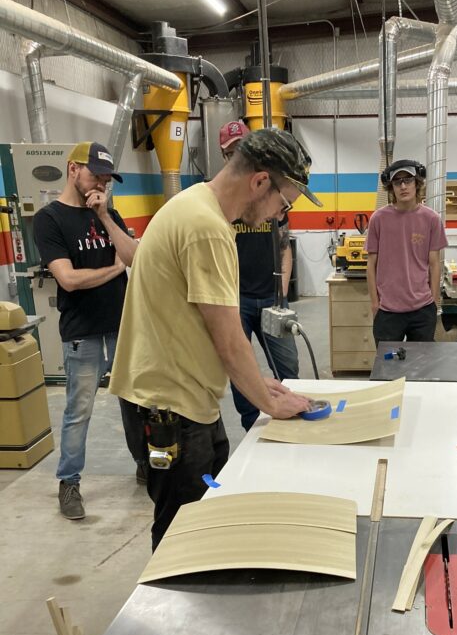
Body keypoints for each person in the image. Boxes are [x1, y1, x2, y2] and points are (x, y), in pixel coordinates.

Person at [110, 128, 320, 550]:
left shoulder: (190, 206)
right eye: (284, 203)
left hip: (184, 398)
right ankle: (171, 610)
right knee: (180, 533)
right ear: (260, 181)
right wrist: (269, 401)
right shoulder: (207, 228)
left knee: (208, 506)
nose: (280, 215)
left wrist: (261, 386)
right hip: (170, 405)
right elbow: (228, 337)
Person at [33, 141, 140, 521]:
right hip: (83, 330)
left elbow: (133, 258)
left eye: (108, 178)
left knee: (136, 403)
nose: (103, 182)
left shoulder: (108, 213)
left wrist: (107, 216)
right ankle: (69, 482)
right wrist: (113, 271)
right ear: (73, 169)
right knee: (79, 410)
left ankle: (144, 465)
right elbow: (69, 279)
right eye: (97, 174)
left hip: (124, 325)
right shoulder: (50, 219)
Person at [220, 120, 299, 430]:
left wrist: (280, 290)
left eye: (243, 149)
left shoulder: (268, 197)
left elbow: (284, 246)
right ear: (225, 156)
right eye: (232, 152)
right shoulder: (222, 205)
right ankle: (253, 426)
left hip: (270, 296)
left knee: (288, 365)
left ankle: (293, 412)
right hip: (235, 298)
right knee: (242, 367)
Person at [366, 158, 447, 346]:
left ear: (417, 183)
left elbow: (435, 264)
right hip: (387, 311)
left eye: (408, 180)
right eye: (397, 182)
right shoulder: (378, 219)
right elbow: (371, 265)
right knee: (387, 369)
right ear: (391, 187)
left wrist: (434, 302)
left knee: (421, 369)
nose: (403, 186)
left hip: (422, 309)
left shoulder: (432, 219)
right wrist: (375, 304)